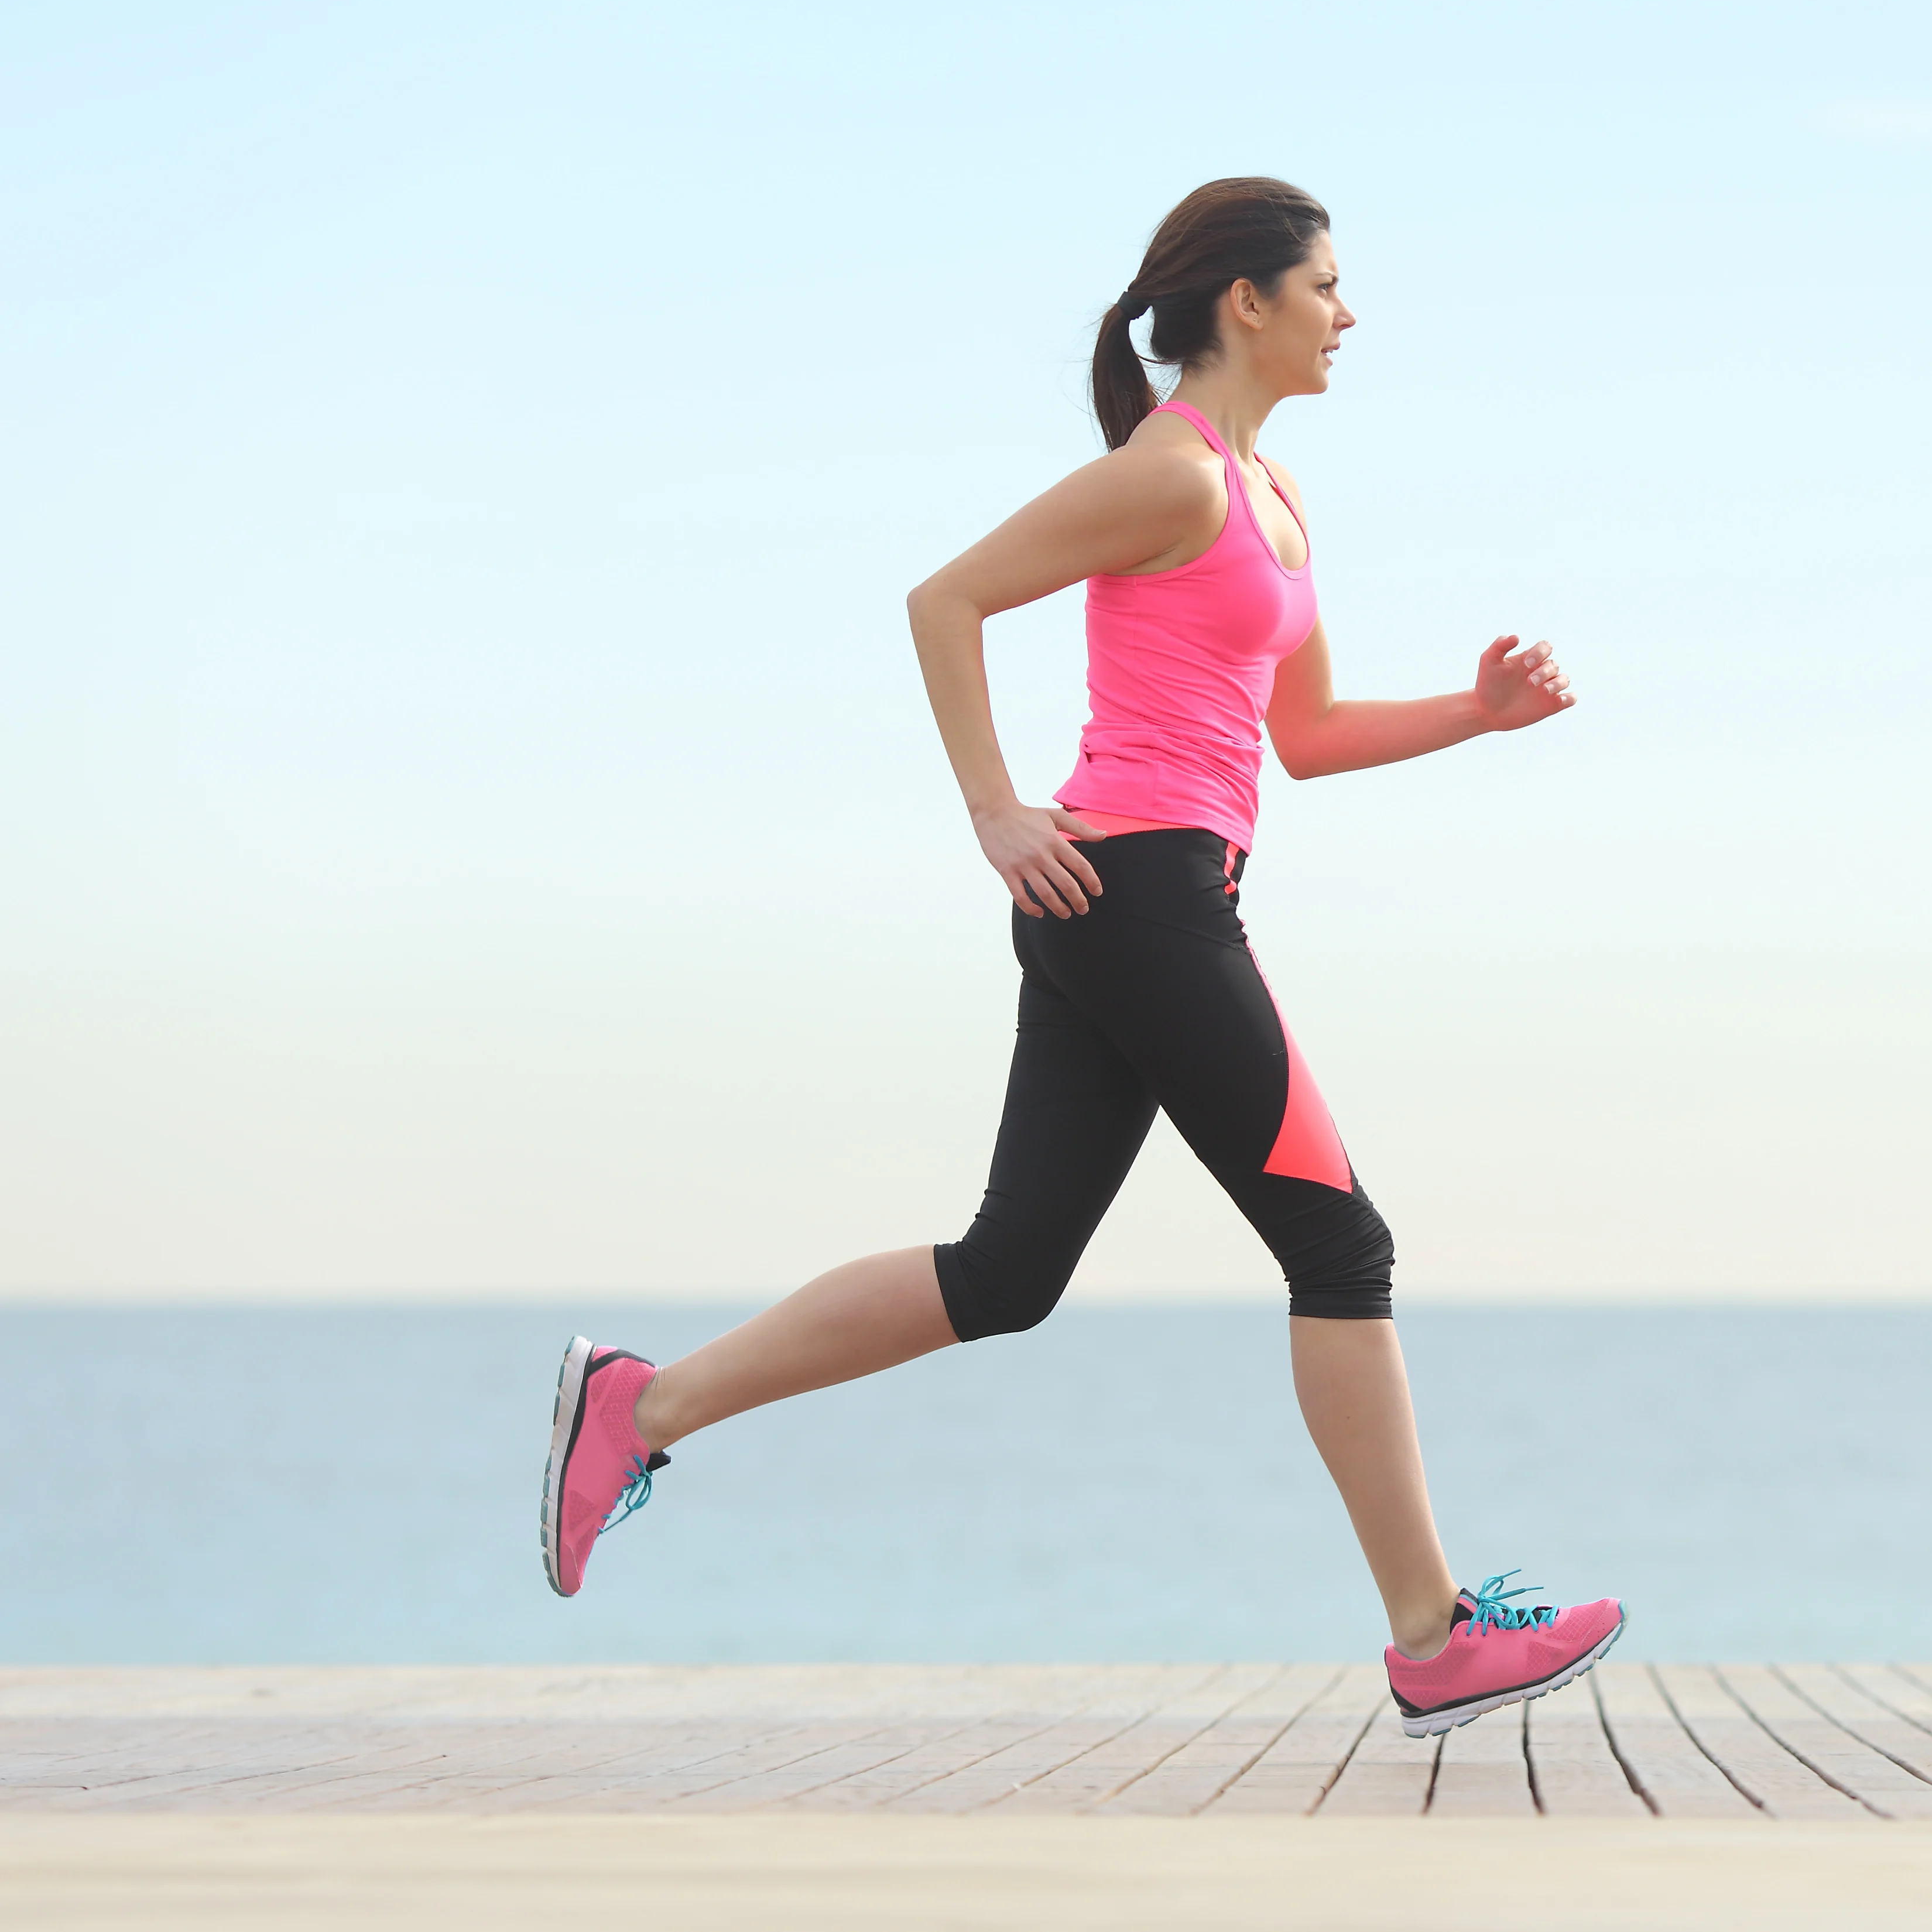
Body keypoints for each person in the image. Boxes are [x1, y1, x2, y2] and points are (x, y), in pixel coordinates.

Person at [535, 177, 1621, 1735]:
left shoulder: (1273, 494)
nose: (1347, 314)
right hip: (1136, 895)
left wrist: (1476, 713)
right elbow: (946, 598)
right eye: (1325, 285)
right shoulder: (1168, 476)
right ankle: (1430, 1634)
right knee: (1341, 1247)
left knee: (1006, 1273)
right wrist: (992, 812)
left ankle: (648, 1405)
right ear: (1245, 301)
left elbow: (1300, 738)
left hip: (1152, 894)